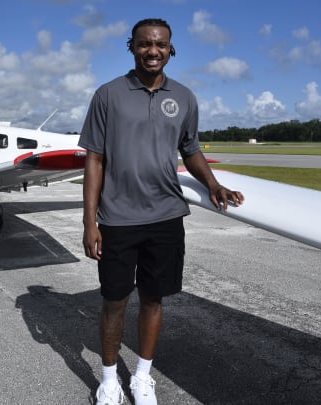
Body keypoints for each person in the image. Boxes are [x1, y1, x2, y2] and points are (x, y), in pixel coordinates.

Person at [79, 18, 244, 405]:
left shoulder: (184, 97)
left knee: (154, 299)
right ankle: (108, 380)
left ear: (171, 49)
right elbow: (95, 161)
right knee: (114, 301)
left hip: (167, 216)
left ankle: (141, 377)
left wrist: (213, 184)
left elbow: (190, 149)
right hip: (117, 219)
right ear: (131, 46)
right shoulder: (107, 95)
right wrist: (90, 222)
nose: (153, 51)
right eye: (144, 45)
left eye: (161, 45)